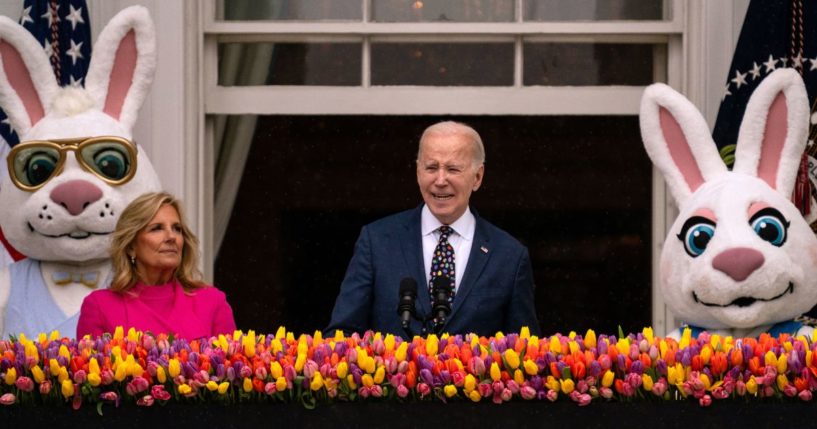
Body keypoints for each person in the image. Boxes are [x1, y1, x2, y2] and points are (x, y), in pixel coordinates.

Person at [326, 121, 539, 337]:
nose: (440, 180)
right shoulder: (377, 241)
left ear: (477, 177)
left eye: (453, 169)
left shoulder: (510, 256)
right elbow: (341, 335)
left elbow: (526, 352)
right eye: (431, 167)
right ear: (418, 172)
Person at [76, 192, 236, 339]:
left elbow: (230, 367)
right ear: (131, 246)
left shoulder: (212, 302)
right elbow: (90, 369)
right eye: (157, 228)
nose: (171, 237)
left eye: (177, 229)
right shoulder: (100, 307)